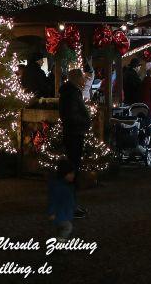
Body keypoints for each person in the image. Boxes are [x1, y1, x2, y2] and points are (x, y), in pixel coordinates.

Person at [58, 68, 90, 219]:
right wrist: (85, 121)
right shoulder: (72, 93)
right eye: (83, 78)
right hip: (74, 133)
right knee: (72, 169)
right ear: (77, 79)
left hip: (73, 132)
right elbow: (71, 115)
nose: (84, 81)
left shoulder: (70, 92)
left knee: (72, 168)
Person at [47, 158, 76, 240]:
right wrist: (51, 212)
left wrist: (73, 207)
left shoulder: (68, 186)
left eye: (73, 173)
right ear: (64, 174)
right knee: (67, 228)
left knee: (62, 230)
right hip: (60, 214)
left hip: (66, 213)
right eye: (70, 174)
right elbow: (53, 200)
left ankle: (59, 244)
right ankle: (60, 245)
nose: (72, 175)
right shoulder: (59, 187)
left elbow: (70, 199)